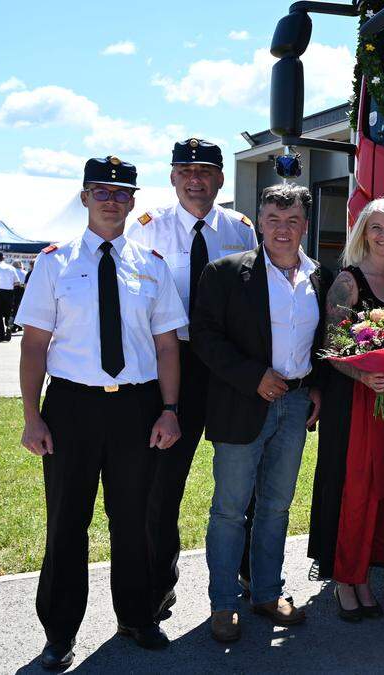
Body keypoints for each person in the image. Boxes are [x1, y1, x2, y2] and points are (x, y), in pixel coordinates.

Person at [16, 157, 186, 670]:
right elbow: (34, 347)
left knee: (133, 520)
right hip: (71, 408)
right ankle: (59, 633)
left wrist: (171, 410)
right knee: (66, 522)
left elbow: (167, 348)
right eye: (102, 191)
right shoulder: (54, 262)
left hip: (137, 407)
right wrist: (32, 416)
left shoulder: (152, 264)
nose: (113, 200)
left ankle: (137, 617)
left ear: (134, 201)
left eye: (122, 192)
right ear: (85, 197)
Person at [191, 183, 332, 643]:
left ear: (305, 226)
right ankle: (223, 603)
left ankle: (267, 593)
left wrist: (315, 388)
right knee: (230, 510)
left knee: (276, 507)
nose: (283, 230)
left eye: (292, 221)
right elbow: (206, 338)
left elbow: (324, 343)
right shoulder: (226, 273)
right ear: (260, 221)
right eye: (273, 220)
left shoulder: (319, 277)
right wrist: (254, 376)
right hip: (241, 403)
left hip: (294, 405)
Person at [126, 137, 259, 622]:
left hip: (226, 367)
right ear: (173, 177)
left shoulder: (241, 229)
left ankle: (246, 572)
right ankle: (159, 583)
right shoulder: (146, 230)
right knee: (162, 483)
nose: (196, 179)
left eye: (205, 171)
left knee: (243, 479)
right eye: (186, 171)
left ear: (221, 179)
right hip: (171, 365)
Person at [308, 198, 384, 623]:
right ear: (362, 233)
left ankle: (364, 574)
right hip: (353, 400)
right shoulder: (348, 280)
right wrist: (365, 377)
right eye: (375, 228)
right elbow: (331, 348)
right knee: (352, 487)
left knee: (382, 486)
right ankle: (343, 580)